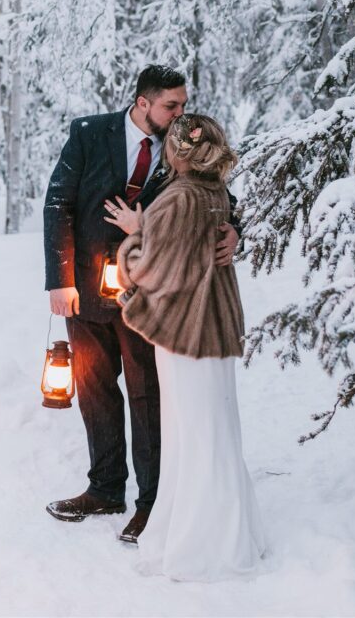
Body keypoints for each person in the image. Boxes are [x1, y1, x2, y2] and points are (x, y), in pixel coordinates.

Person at [43, 66, 240, 543]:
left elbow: (220, 198)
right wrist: (59, 280)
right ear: (142, 102)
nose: (180, 113)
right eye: (171, 105)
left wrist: (236, 231)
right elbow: (58, 204)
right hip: (86, 290)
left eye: (183, 103)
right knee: (94, 389)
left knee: (147, 394)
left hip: (149, 295)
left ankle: (151, 503)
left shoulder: (181, 147)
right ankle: (105, 488)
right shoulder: (89, 133)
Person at [113, 113, 266, 581]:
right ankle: (230, 534)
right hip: (214, 329)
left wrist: (135, 237)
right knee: (215, 430)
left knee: (192, 435)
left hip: (185, 333)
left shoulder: (177, 199)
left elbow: (153, 269)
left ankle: (200, 546)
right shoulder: (216, 192)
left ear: (179, 152)